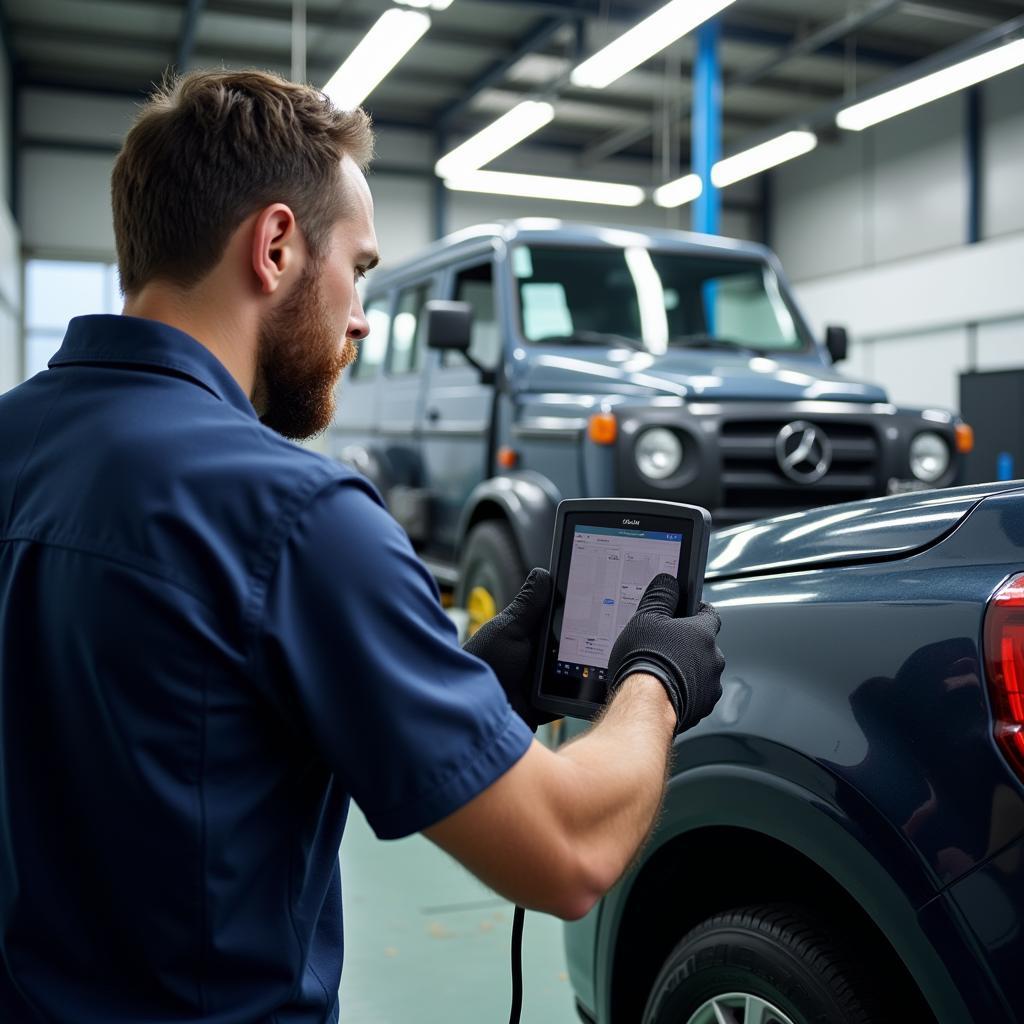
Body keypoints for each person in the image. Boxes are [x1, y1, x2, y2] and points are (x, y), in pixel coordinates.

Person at [0, 70, 725, 1023]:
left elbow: (177, 731)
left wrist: (454, 684)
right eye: (362, 268)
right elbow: (570, 850)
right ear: (275, 246)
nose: (362, 317)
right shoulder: (297, 514)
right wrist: (653, 683)